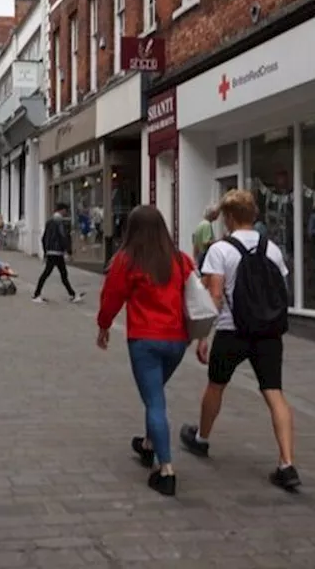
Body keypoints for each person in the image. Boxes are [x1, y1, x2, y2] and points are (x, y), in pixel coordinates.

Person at [179, 189, 299, 490]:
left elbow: (215, 295)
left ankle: (202, 438)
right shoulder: (271, 248)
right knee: (274, 392)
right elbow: (280, 288)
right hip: (268, 333)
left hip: (233, 330)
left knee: (216, 385)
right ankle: (287, 463)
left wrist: (203, 335)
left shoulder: (221, 250)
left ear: (230, 218)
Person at [96, 205, 196, 497]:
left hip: (145, 340)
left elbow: (112, 297)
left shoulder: (127, 261)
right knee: (156, 395)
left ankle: (165, 469)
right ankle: (149, 444)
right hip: (177, 340)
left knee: (154, 401)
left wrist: (103, 326)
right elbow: (193, 291)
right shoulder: (179, 259)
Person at [32, 202, 84, 304]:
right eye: (66, 211)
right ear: (62, 210)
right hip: (57, 252)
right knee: (56, 274)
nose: (66, 213)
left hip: (51, 252)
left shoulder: (49, 221)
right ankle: (36, 294)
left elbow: (44, 238)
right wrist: (68, 250)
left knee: (57, 274)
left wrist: (45, 251)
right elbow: (63, 237)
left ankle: (72, 294)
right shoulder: (59, 222)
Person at [192, 203, 219, 270]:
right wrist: (219, 242)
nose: (218, 216)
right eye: (217, 213)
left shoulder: (201, 224)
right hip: (204, 255)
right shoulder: (207, 225)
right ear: (212, 213)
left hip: (199, 256)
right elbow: (206, 242)